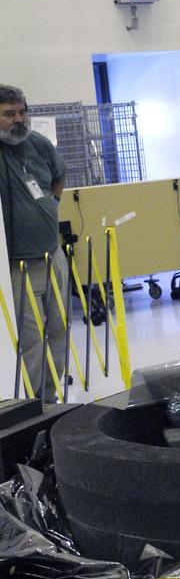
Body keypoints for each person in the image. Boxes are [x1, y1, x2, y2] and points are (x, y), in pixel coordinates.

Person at [0, 85, 68, 397]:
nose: (18, 119)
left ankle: (52, 393)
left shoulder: (38, 144)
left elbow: (59, 175)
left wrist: (52, 204)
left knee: (60, 328)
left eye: (22, 111)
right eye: (9, 114)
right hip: (15, 264)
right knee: (30, 338)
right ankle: (35, 403)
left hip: (52, 253)